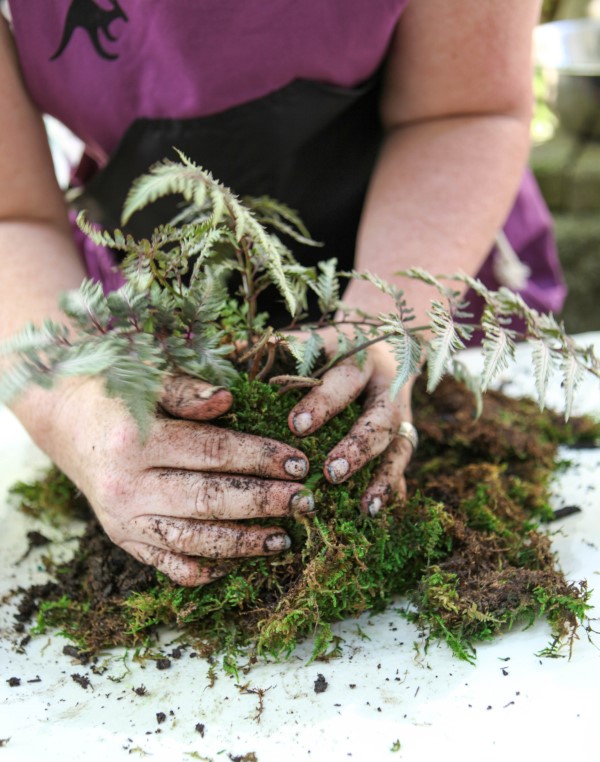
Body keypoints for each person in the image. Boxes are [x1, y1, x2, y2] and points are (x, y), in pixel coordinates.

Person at [0, 1, 564, 586]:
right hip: (156, 303)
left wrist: (390, 324)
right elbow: (10, 214)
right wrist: (73, 402)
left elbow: (465, 109)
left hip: (434, 253)